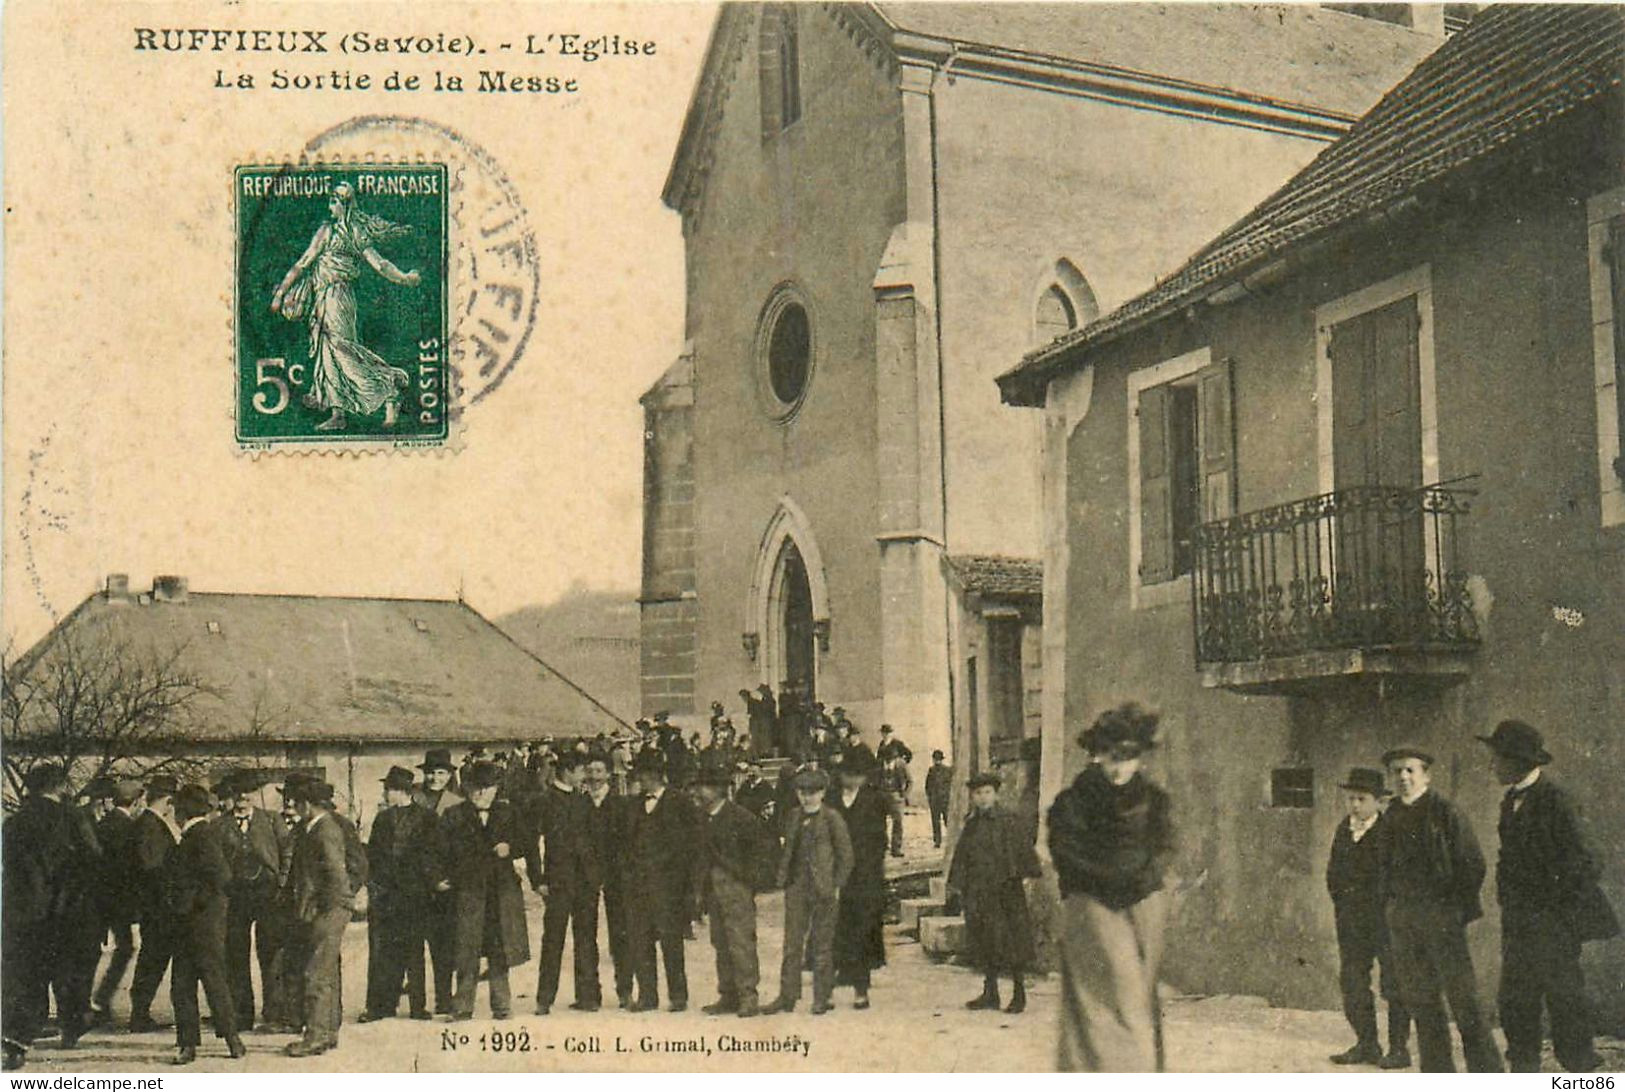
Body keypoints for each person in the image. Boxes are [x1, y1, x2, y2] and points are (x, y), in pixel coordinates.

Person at [1478, 720, 1617, 1073]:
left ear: (1517, 761)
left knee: (1565, 1000)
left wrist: (1553, 909)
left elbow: (1588, 861)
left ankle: (1580, 1071)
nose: (1491, 765)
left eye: (1496, 758)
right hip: (1520, 923)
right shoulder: (1510, 801)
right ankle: (1523, 1070)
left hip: (1554, 924)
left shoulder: (1557, 801)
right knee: (1515, 1001)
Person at [1049, 704, 1175, 1072]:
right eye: (1110, 756)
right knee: (1105, 1005)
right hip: (1093, 907)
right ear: (1097, 755)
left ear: (1139, 757)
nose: (1118, 766)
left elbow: (1165, 848)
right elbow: (1066, 853)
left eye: (1128, 756)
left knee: (1138, 1001)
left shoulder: (1155, 802)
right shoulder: (1073, 802)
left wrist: (1144, 880)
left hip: (1144, 907)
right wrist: (1113, 879)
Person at [1378, 746, 1502, 1073]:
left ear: (1426, 775)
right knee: (1422, 1002)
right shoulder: (1389, 816)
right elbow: (1382, 869)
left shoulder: (1445, 811)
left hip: (1442, 919)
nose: (1403, 777)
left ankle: (1487, 1073)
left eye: (1410, 770)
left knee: (1464, 1002)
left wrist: (1453, 911)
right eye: (1397, 772)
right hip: (1404, 920)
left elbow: (1472, 864)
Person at [269, 180, 421, 431]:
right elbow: (305, 262)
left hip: (338, 298)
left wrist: (404, 278)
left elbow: (379, 264)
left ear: (345, 205)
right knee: (327, 351)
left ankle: (389, 388)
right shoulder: (336, 231)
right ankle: (338, 413)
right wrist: (281, 293)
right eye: (331, 200)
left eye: (335, 200)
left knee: (340, 349)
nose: (331, 205)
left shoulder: (346, 232)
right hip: (323, 297)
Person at [0, 764, 101, 1070]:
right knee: (67, 971)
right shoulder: (73, 818)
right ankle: (72, 1025)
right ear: (61, 787)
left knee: (24, 976)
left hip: (20, 911)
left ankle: (17, 1042)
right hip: (63, 910)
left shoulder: (12, 823)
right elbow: (93, 858)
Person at [1326, 768, 1411, 1068]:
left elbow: (1398, 878)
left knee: (1395, 982)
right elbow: (1333, 874)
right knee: (1353, 981)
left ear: (1379, 801)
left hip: (1385, 923)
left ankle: (1399, 1048)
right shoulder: (1343, 830)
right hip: (1351, 922)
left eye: (1362, 799)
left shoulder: (1390, 832)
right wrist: (1345, 906)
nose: (1355, 806)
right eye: (1350, 799)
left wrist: (1388, 911)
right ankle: (1367, 1043)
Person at [444, 761, 539, 1021]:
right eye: (475, 788)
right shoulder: (454, 815)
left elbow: (527, 844)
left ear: (497, 789)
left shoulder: (510, 813)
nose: (480, 793)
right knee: (467, 947)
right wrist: (443, 878)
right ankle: (462, 1006)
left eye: (486, 788)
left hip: (501, 891)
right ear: (467, 789)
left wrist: (511, 847)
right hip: (469, 890)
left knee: (500, 947)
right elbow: (441, 851)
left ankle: (502, 1005)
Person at [949, 772, 1042, 1015]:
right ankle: (990, 992)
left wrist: (1022, 875)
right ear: (972, 797)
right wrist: (958, 886)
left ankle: (1019, 994)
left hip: (1005, 891)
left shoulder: (1009, 820)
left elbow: (1023, 851)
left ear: (996, 794)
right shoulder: (971, 824)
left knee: (1012, 942)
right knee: (984, 940)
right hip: (979, 892)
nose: (982, 798)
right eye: (978, 793)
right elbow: (962, 857)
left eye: (987, 792)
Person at [167, 784, 246, 1065]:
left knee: (193, 983)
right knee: (198, 982)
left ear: (183, 812)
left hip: (199, 922)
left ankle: (196, 1044)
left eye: (176, 809)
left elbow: (221, 876)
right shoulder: (200, 834)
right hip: (198, 923)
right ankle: (228, 1040)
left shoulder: (200, 836)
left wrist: (190, 902)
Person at [362, 767, 446, 1022]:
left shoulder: (427, 818)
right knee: (382, 951)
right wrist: (373, 885)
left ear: (401, 791)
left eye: (388, 789)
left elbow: (432, 855)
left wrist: (430, 883)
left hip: (415, 894)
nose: (385, 793)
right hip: (385, 895)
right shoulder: (382, 819)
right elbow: (374, 856)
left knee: (413, 951)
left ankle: (417, 1007)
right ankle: (380, 1007)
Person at [765, 767, 852, 1015]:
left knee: (822, 946)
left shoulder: (832, 818)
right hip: (796, 887)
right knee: (791, 944)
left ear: (822, 793)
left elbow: (846, 857)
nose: (806, 797)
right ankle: (787, 996)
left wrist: (836, 885)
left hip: (824, 889)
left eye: (812, 792)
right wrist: (784, 877)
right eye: (802, 792)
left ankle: (821, 997)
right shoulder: (793, 816)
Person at [623, 749, 703, 1011]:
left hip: (669, 887)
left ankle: (678, 996)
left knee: (671, 942)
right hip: (639, 886)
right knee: (641, 942)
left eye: (643, 775)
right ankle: (648, 996)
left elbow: (692, 845)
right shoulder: (634, 804)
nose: (639, 780)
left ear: (655, 775)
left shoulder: (680, 802)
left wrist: (689, 886)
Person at [692, 764, 772, 1018]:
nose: (698, 792)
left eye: (703, 787)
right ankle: (728, 995)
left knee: (740, 942)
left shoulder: (741, 817)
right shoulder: (702, 818)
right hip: (712, 891)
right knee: (721, 942)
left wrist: (747, 882)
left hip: (736, 889)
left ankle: (748, 996)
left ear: (718, 790)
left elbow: (760, 854)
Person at [214, 770, 289, 1032]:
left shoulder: (271, 820)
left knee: (271, 954)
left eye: (247, 792)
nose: (243, 797)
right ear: (232, 796)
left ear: (254, 795)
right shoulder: (220, 825)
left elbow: (287, 852)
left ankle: (274, 1013)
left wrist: (281, 881)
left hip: (268, 896)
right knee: (235, 954)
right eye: (237, 792)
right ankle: (240, 1014)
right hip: (236, 898)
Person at [284, 780, 353, 1057]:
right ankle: (327, 1032)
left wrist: (325, 907)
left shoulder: (324, 831)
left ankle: (315, 1036)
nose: (293, 807)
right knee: (325, 971)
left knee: (316, 972)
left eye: (296, 802)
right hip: (326, 908)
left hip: (327, 910)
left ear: (308, 804)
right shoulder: (316, 828)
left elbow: (336, 875)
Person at [534, 752, 604, 1015]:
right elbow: (533, 844)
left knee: (587, 938)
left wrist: (596, 876)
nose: (584, 776)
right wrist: (538, 879)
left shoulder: (584, 800)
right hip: (558, 882)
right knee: (553, 939)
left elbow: (596, 840)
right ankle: (544, 999)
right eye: (580, 771)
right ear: (566, 771)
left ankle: (588, 997)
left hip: (585, 883)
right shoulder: (544, 801)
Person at [825, 746, 888, 1009]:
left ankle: (861, 990)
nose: (853, 780)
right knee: (832, 930)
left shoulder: (874, 799)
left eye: (859, 775)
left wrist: (870, 867)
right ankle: (826, 989)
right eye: (849, 774)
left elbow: (879, 839)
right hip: (835, 873)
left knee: (862, 930)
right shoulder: (830, 798)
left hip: (865, 875)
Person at [411, 748, 464, 1015]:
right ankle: (415, 1003)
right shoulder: (413, 799)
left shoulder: (456, 803)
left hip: (446, 885)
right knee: (413, 946)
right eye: (430, 772)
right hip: (416, 883)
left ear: (449, 775)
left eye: (441, 772)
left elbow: (462, 848)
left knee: (444, 945)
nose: (435, 777)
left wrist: (448, 879)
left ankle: (444, 999)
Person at [129, 775, 182, 1033]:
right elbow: (150, 867)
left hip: (156, 906)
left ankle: (140, 1012)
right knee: (153, 960)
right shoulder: (150, 825)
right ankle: (139, 1014)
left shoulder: (147, 823)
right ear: (169, 801)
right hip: (159, 907)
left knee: (153, 959)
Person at [91, 779, 145, 1025]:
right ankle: (100, 1001)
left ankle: (95, 1002)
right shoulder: (131, 828)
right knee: (126, 948)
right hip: (121, 899)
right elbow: (132, 868)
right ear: (135, 802)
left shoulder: (101, 825)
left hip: (99, 896)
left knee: (96, 952)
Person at [581, 753, 633, 1007]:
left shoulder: (622, 805)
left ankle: (625, 991)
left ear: (609, 775)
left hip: (617, 876)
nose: (593, 777)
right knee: (585, 934)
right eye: (589, 771)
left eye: (599, 771)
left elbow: (627, 842)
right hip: (586, 876)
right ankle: (589, 995)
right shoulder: (578, 804)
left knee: (621, 933)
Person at [876, 726, 910, 857]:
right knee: (879, 822)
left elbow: (910, 781)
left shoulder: (900, 763)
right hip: (882, 795)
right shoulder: (880, 763)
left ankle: (896, 848)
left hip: (896, 796)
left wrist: (903, 795)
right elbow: (875, 777)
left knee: (898, 822)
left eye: (890, 758)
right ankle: (882, 846)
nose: (888, 761)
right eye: (886, 758)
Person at [924, 751, 953, 849]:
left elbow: (951, 785)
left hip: (945, 800)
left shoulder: (948, 770)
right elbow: (927, 786)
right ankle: (937, 841)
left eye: (939, 760)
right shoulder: (931, 771)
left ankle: (950, 839)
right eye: (935, 760)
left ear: (942, 760)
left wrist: (949, 797)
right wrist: (930, 797)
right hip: (935, 801)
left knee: (947, 820)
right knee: (935, 821)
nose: (937, 762)